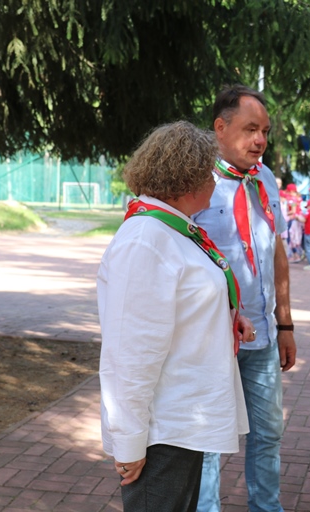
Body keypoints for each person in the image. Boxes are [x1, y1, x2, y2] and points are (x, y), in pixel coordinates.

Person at [97, 122, 251, 512]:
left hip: (182, 423)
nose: (215, 181)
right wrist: (129, 441)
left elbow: (183, 303)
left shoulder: (172, 231)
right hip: (162, 431)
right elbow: (130, 352)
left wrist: (222, 317)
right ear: (186, 180)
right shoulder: (146, 240)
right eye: (209, 173)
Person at [192, 85, 296, 512]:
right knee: (208, 440)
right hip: (212, 337)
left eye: (265, 132)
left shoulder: (265, 179)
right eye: (251, 129)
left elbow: (276, 252)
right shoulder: (194, 181)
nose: (260, 140)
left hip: (263, 335)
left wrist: (285, 324)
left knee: (268, 432)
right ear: (220, 128)